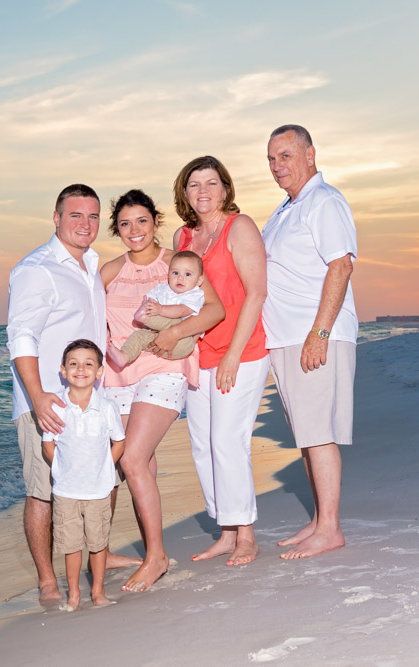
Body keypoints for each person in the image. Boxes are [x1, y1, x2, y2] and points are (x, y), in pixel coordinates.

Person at [7, 184, 137, 604]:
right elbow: (21, 336)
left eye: (93, 216)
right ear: (57, 218)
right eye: (76, 215)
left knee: (103, 478)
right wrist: (38, 396)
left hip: (95, 399)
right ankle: (48, 578)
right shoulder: (37, 268)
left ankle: (100, 550)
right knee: (45, 488)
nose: (85, 224)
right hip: (49, 403)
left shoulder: (92, 265)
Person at [100, 189, 225, 592]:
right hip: (119, 373)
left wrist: (174, 333)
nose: (133, 230)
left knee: (133, 459)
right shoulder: (108, 271)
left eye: (141, 221)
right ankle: (153, 551)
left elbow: (214, 310)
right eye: (124, 223)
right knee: (139, 464)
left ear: (155, 221)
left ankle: (155, 558)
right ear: (115, 229)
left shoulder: (179, 263)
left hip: (166, 367)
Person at [262, 124, 357, 559]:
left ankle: (331, 528)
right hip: (285, 338)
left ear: (310, 154)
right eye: (271, 159)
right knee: (306, 432)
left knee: (319, 432)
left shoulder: (324, 201)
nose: (277, 166)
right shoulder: (286, 209)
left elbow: (340, 266)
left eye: (285, 155)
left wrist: (318, 333)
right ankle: (319, 520)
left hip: (313, 335)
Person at [172, 156, 270, 567]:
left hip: (241, 352)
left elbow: (256, 293)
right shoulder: (182, 236)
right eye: (194, 184)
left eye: (211, 183)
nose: (203, 191)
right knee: (202, 444)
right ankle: (226, 531)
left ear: (225, 189)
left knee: (228, 441)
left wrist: (231, 355)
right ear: (185, 192)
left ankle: (245, 533)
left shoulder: (240, 226)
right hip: (199, 357)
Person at [42, 339, 126, 610]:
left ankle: (98, 592)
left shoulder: (107, 407)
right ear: (63, 371)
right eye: (73, 364)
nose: (81, 369)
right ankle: (74, 594)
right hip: (66, 490)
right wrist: (63, 468)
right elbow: (48, 445)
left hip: (98, 490)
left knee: (98, 544)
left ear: (99, 372)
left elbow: (119, 442)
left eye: (89, 364)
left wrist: (104, 466)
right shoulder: (55, 408)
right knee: (71, 545)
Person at [107, 250, 206, 369]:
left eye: (188, 274)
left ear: (199, 280)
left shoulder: (194, 294)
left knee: (173, 320)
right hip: (159, 338)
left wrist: (160, 309)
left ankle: (146, 317)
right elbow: (149, 298)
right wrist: (147, 304)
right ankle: (125, 356)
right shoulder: (163, 288)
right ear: (168, 274)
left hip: (184, 339)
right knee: (140, 336)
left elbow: (182, 311)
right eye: (175, 273)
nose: (180, 278)